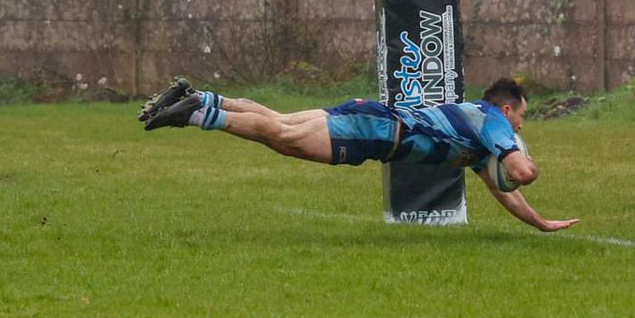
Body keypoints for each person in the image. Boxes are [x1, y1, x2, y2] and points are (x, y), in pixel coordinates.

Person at [138, 76, 580, 233]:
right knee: (282, 137)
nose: (523, 124)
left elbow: (504, 191)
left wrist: (540, 223)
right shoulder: (495, 123)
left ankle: (198, 96)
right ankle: (193, 114)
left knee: (281, 123)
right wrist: (526, 159)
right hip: (377, 132)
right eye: (523, 117)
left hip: (373, 117)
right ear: (508, 109)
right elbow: (520, 173)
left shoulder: (480, 137)